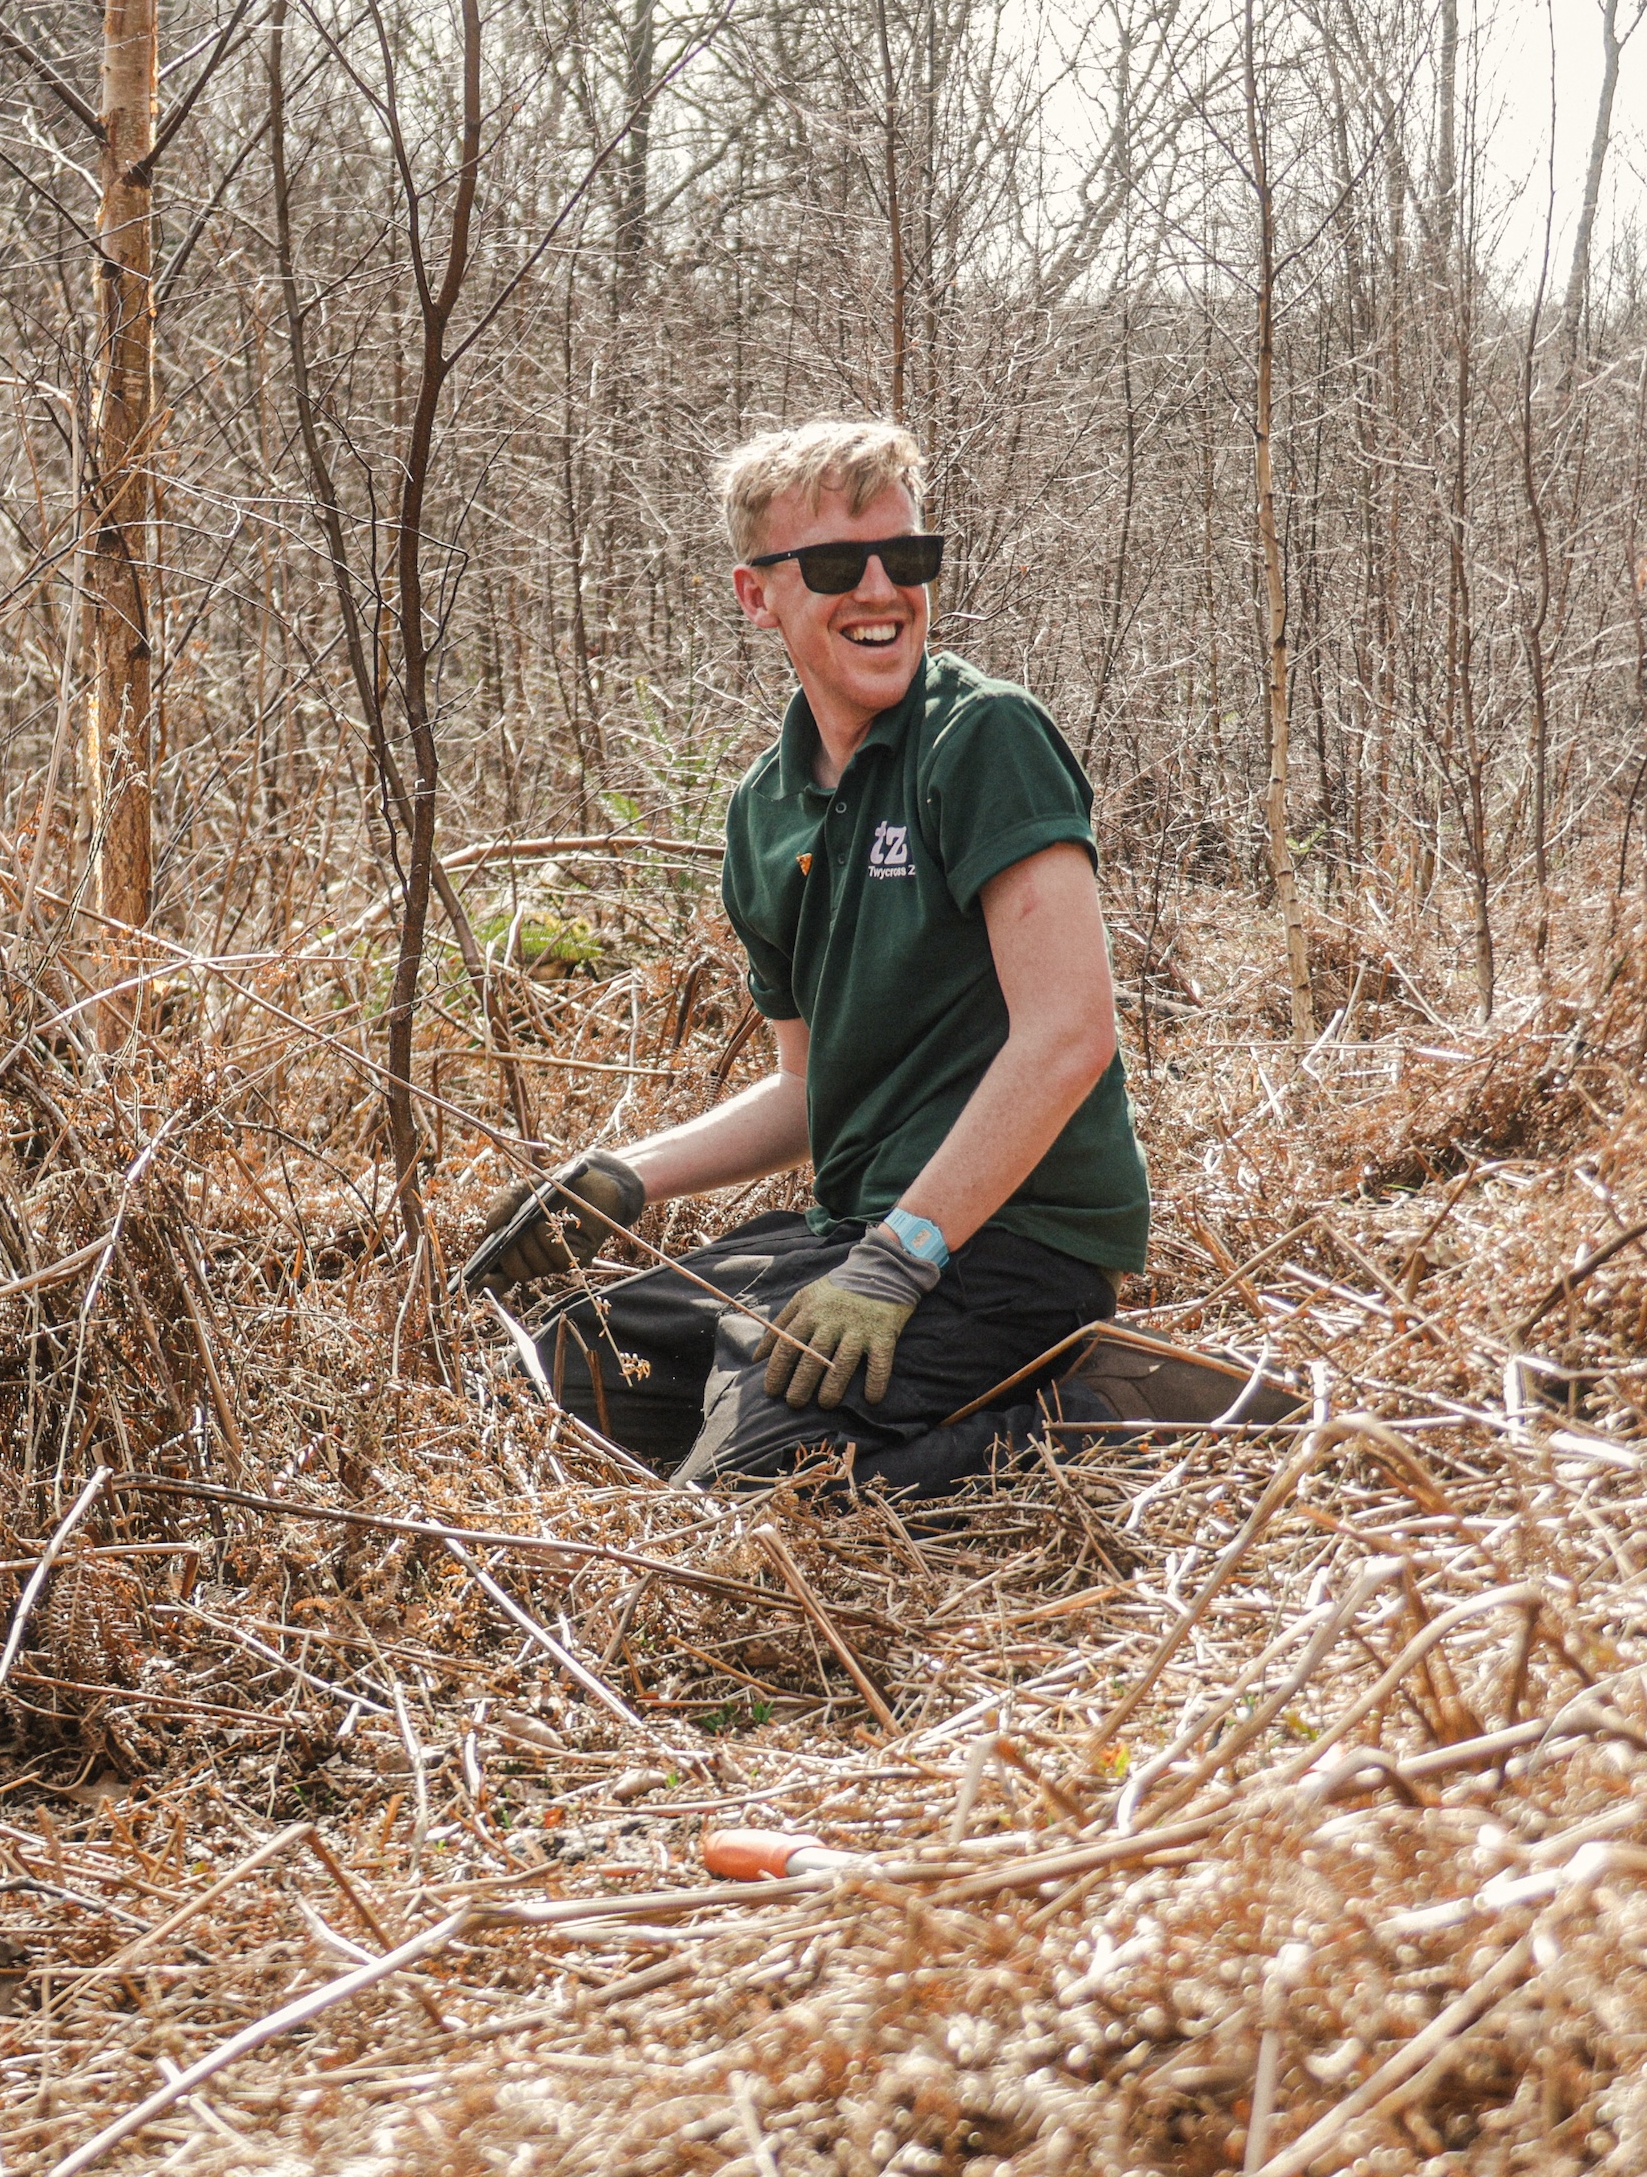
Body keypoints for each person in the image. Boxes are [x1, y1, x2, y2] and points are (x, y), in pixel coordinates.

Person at [466, 419, 1153, 1495]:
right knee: (550, 1371)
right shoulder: (763, 809)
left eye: (907, 558)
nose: (882, 590)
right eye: (836, 565)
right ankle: (780, 1393)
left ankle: (1099, 1421)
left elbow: (1069, 1034)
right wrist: (623, 1178)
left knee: (755, 1490)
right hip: (846, 1237)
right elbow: (803, 1088)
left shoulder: (982, 739)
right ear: (757, 595)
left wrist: (900, 1256)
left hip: (1008, 1250)